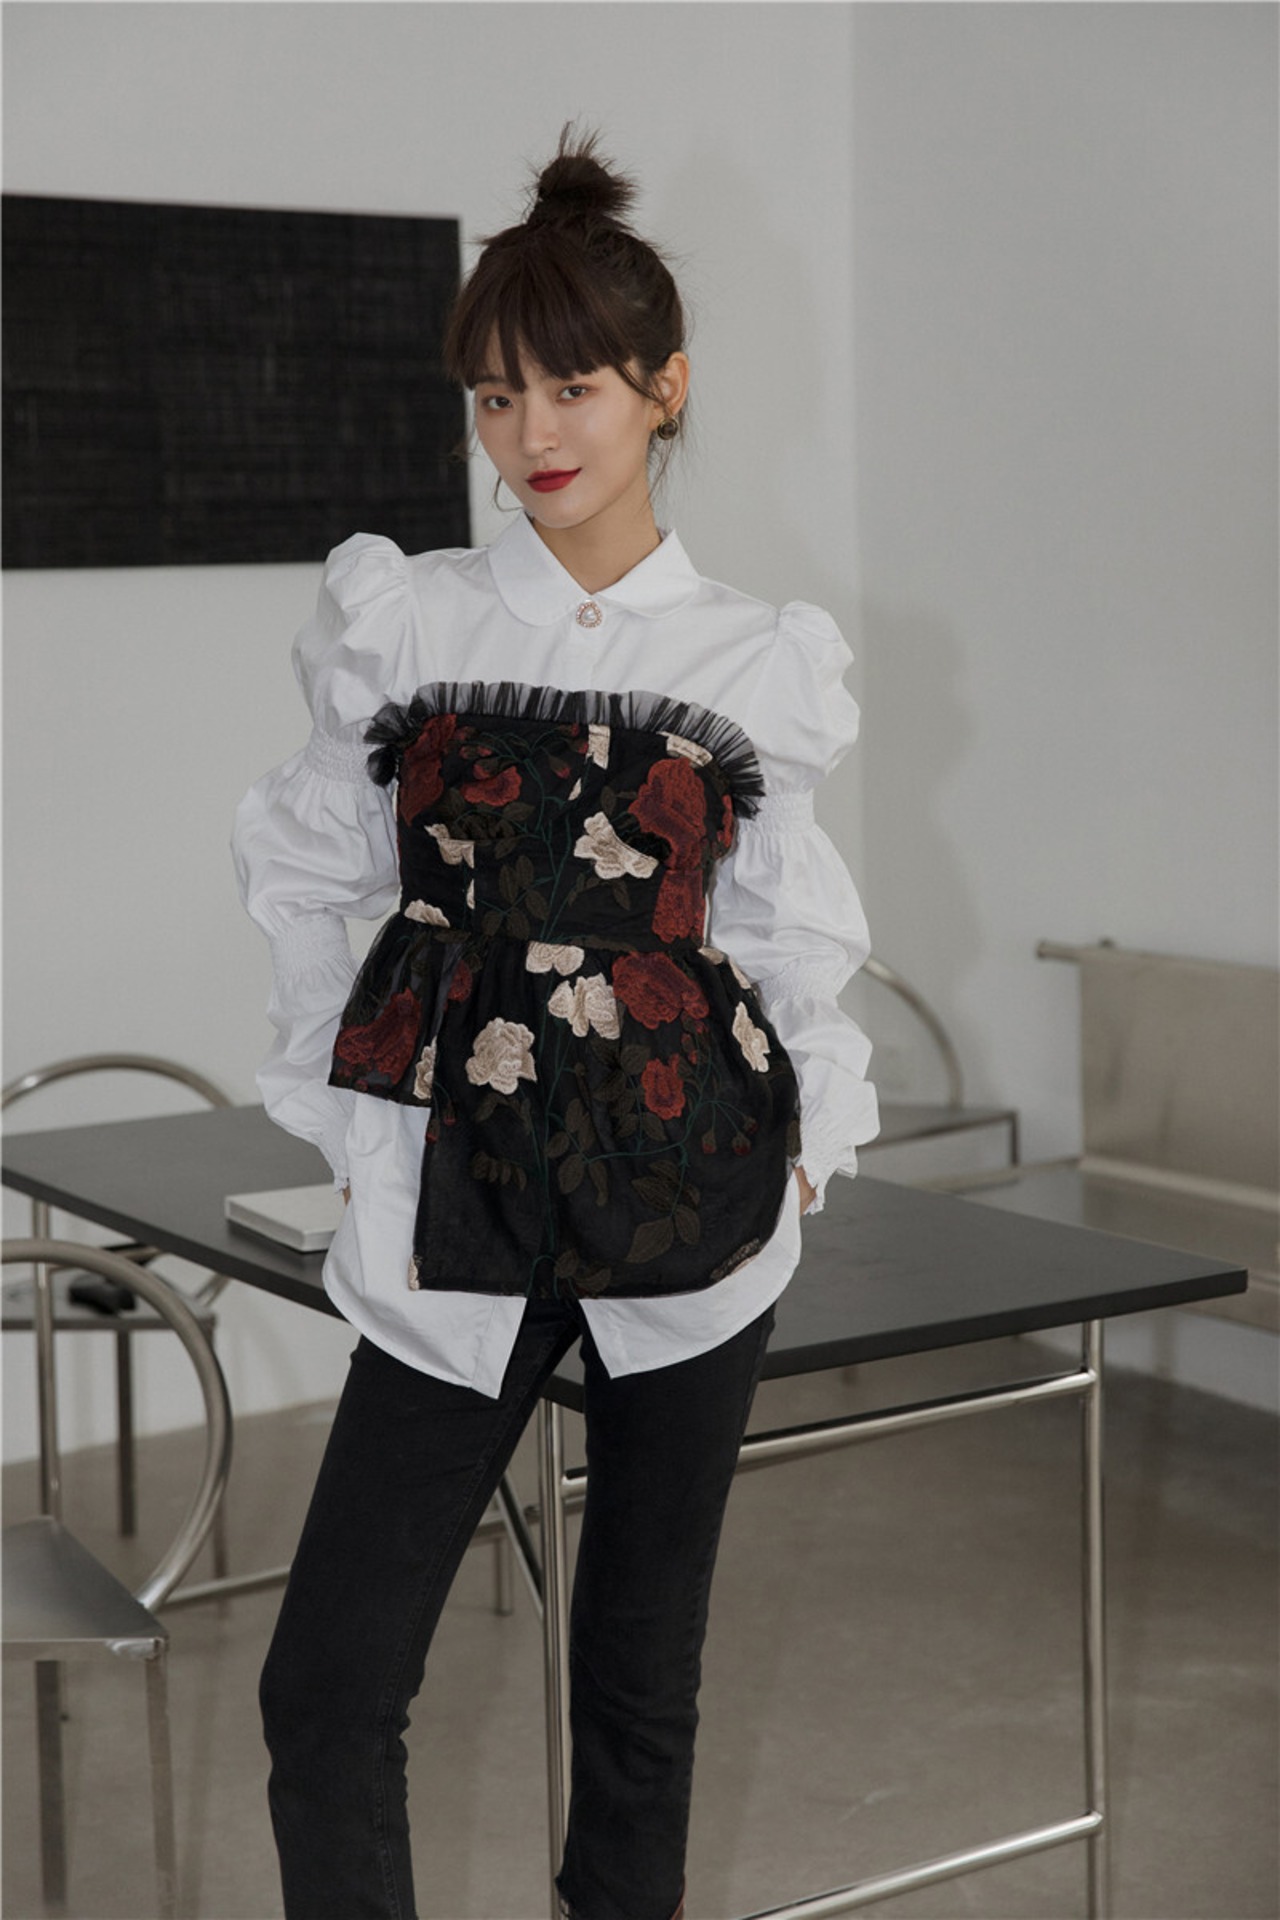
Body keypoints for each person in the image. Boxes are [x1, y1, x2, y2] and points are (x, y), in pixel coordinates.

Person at [232, 127, 878, 1920]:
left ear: (667, 387)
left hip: (694, 1184)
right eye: (498, 395)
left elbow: (783, 929)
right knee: (327, 1692)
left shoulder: (755, 658)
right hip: (455, 1193)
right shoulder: (411, 620)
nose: (534, 434)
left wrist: (808, 1144)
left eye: (574, 386)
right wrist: (353, 1106)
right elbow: (305, 867)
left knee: (639, 1695)